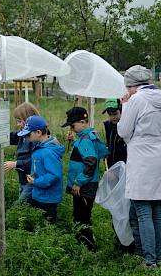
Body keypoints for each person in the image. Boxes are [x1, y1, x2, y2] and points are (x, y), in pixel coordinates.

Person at [118, 65, 161, 268]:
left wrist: (125, 106)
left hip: (142, 157)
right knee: (156, 210)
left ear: (132, 86)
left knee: (142, 212)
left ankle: (150, 260)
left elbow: (123, 130)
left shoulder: (136, 100)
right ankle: (158, 256)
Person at [62, 106, 107, 251]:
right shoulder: (84, 137)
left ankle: (88, 248)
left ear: (82, 122)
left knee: (82, 218)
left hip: (84, 187)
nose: (72, 128)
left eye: (72, 125)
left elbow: (91, 162)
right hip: (84, 186)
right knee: (79, 216)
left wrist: (78, 182)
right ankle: (82, 244)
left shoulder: (86, 140)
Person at [22, 115, 64, 224]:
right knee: (40, 226)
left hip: (47, 198)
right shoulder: (40, 147)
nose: (27, 137)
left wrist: (35, 181)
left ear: (39, 132)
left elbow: (54, 175)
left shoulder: (48, 152)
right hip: (40, 194)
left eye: (29, 134)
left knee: (48, 227)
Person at [4, 102, 40, 205]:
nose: (17, 124)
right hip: (23, 179)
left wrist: (16, 164)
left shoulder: (35, 138)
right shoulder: (23, 134)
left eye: (19, 121)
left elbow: (35, 161)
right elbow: (11, 137)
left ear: (28, 119)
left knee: (19, 206)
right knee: (26, 206)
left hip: (32, 179)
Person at [102, 98, 126, 167]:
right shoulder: (108, 125)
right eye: (110, 114)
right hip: (111, 163)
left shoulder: (126, 125)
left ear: (121, 111)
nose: (112, 117)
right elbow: (108, 142)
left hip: (125, 163)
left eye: (115, 114)